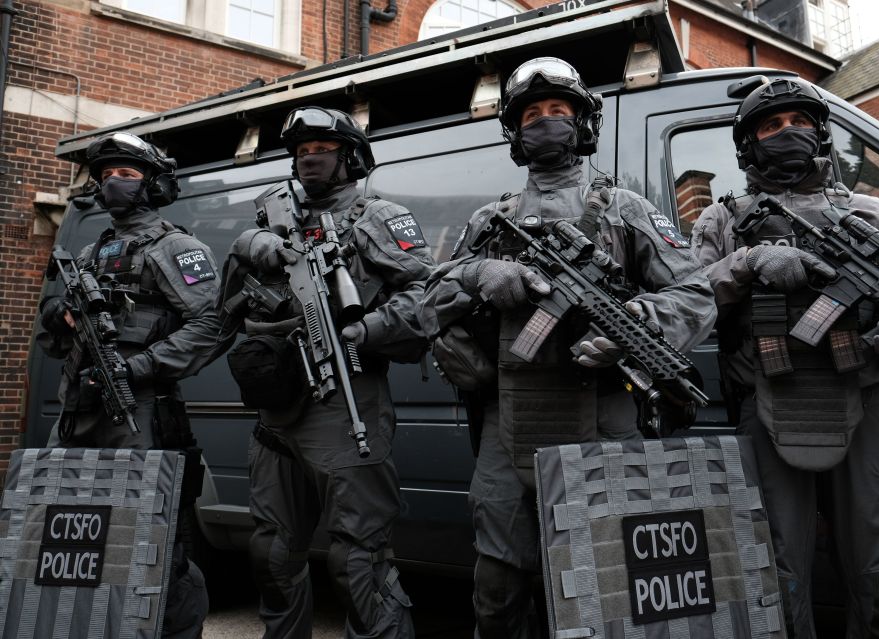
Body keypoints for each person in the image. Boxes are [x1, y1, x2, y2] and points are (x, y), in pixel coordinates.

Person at [417, 57, 717, 639]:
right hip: (510, 429)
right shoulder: (492, 219)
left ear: (582, 125)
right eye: (533, 114)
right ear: (514, 130)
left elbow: (696, 293)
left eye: (559, 111)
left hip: (604, 421)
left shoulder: (625, 210)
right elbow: (428, 301)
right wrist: (480, 275)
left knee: (604, 591)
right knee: (498, 590)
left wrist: (635, 323)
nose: (546, 122)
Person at [691, 77, 879, 638]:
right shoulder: (724, 220)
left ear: (821, 131)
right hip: (769, 401)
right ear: (748, 144)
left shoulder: (872, 213)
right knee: (776, 578)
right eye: (772, 126)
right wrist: (748, 263)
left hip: (864, 406)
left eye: (800, 121)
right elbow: (686, 304)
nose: (789, 133)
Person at [216, 107, 434, 639]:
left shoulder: (377, 217)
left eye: (322, 149)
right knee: (271, 551)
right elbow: (224, 311)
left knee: (358, 561)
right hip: (278, 413)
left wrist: (373, 326)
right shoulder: (271, 218)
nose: (309, 158)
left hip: (347, 404)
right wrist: (248, 249)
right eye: (301, 151)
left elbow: (427, 294)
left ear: (351, 157)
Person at [37, 132, 223, 638]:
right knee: (66, 542)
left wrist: (139, 368)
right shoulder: (92, 251)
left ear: (153, 183)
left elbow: (210, 327)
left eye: (127, 174)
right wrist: (61, 315)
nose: (113, 183)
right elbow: (51, 339)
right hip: (78, 413)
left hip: (137, 414)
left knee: (156, 545)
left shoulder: (176, 247)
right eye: (105, 176)